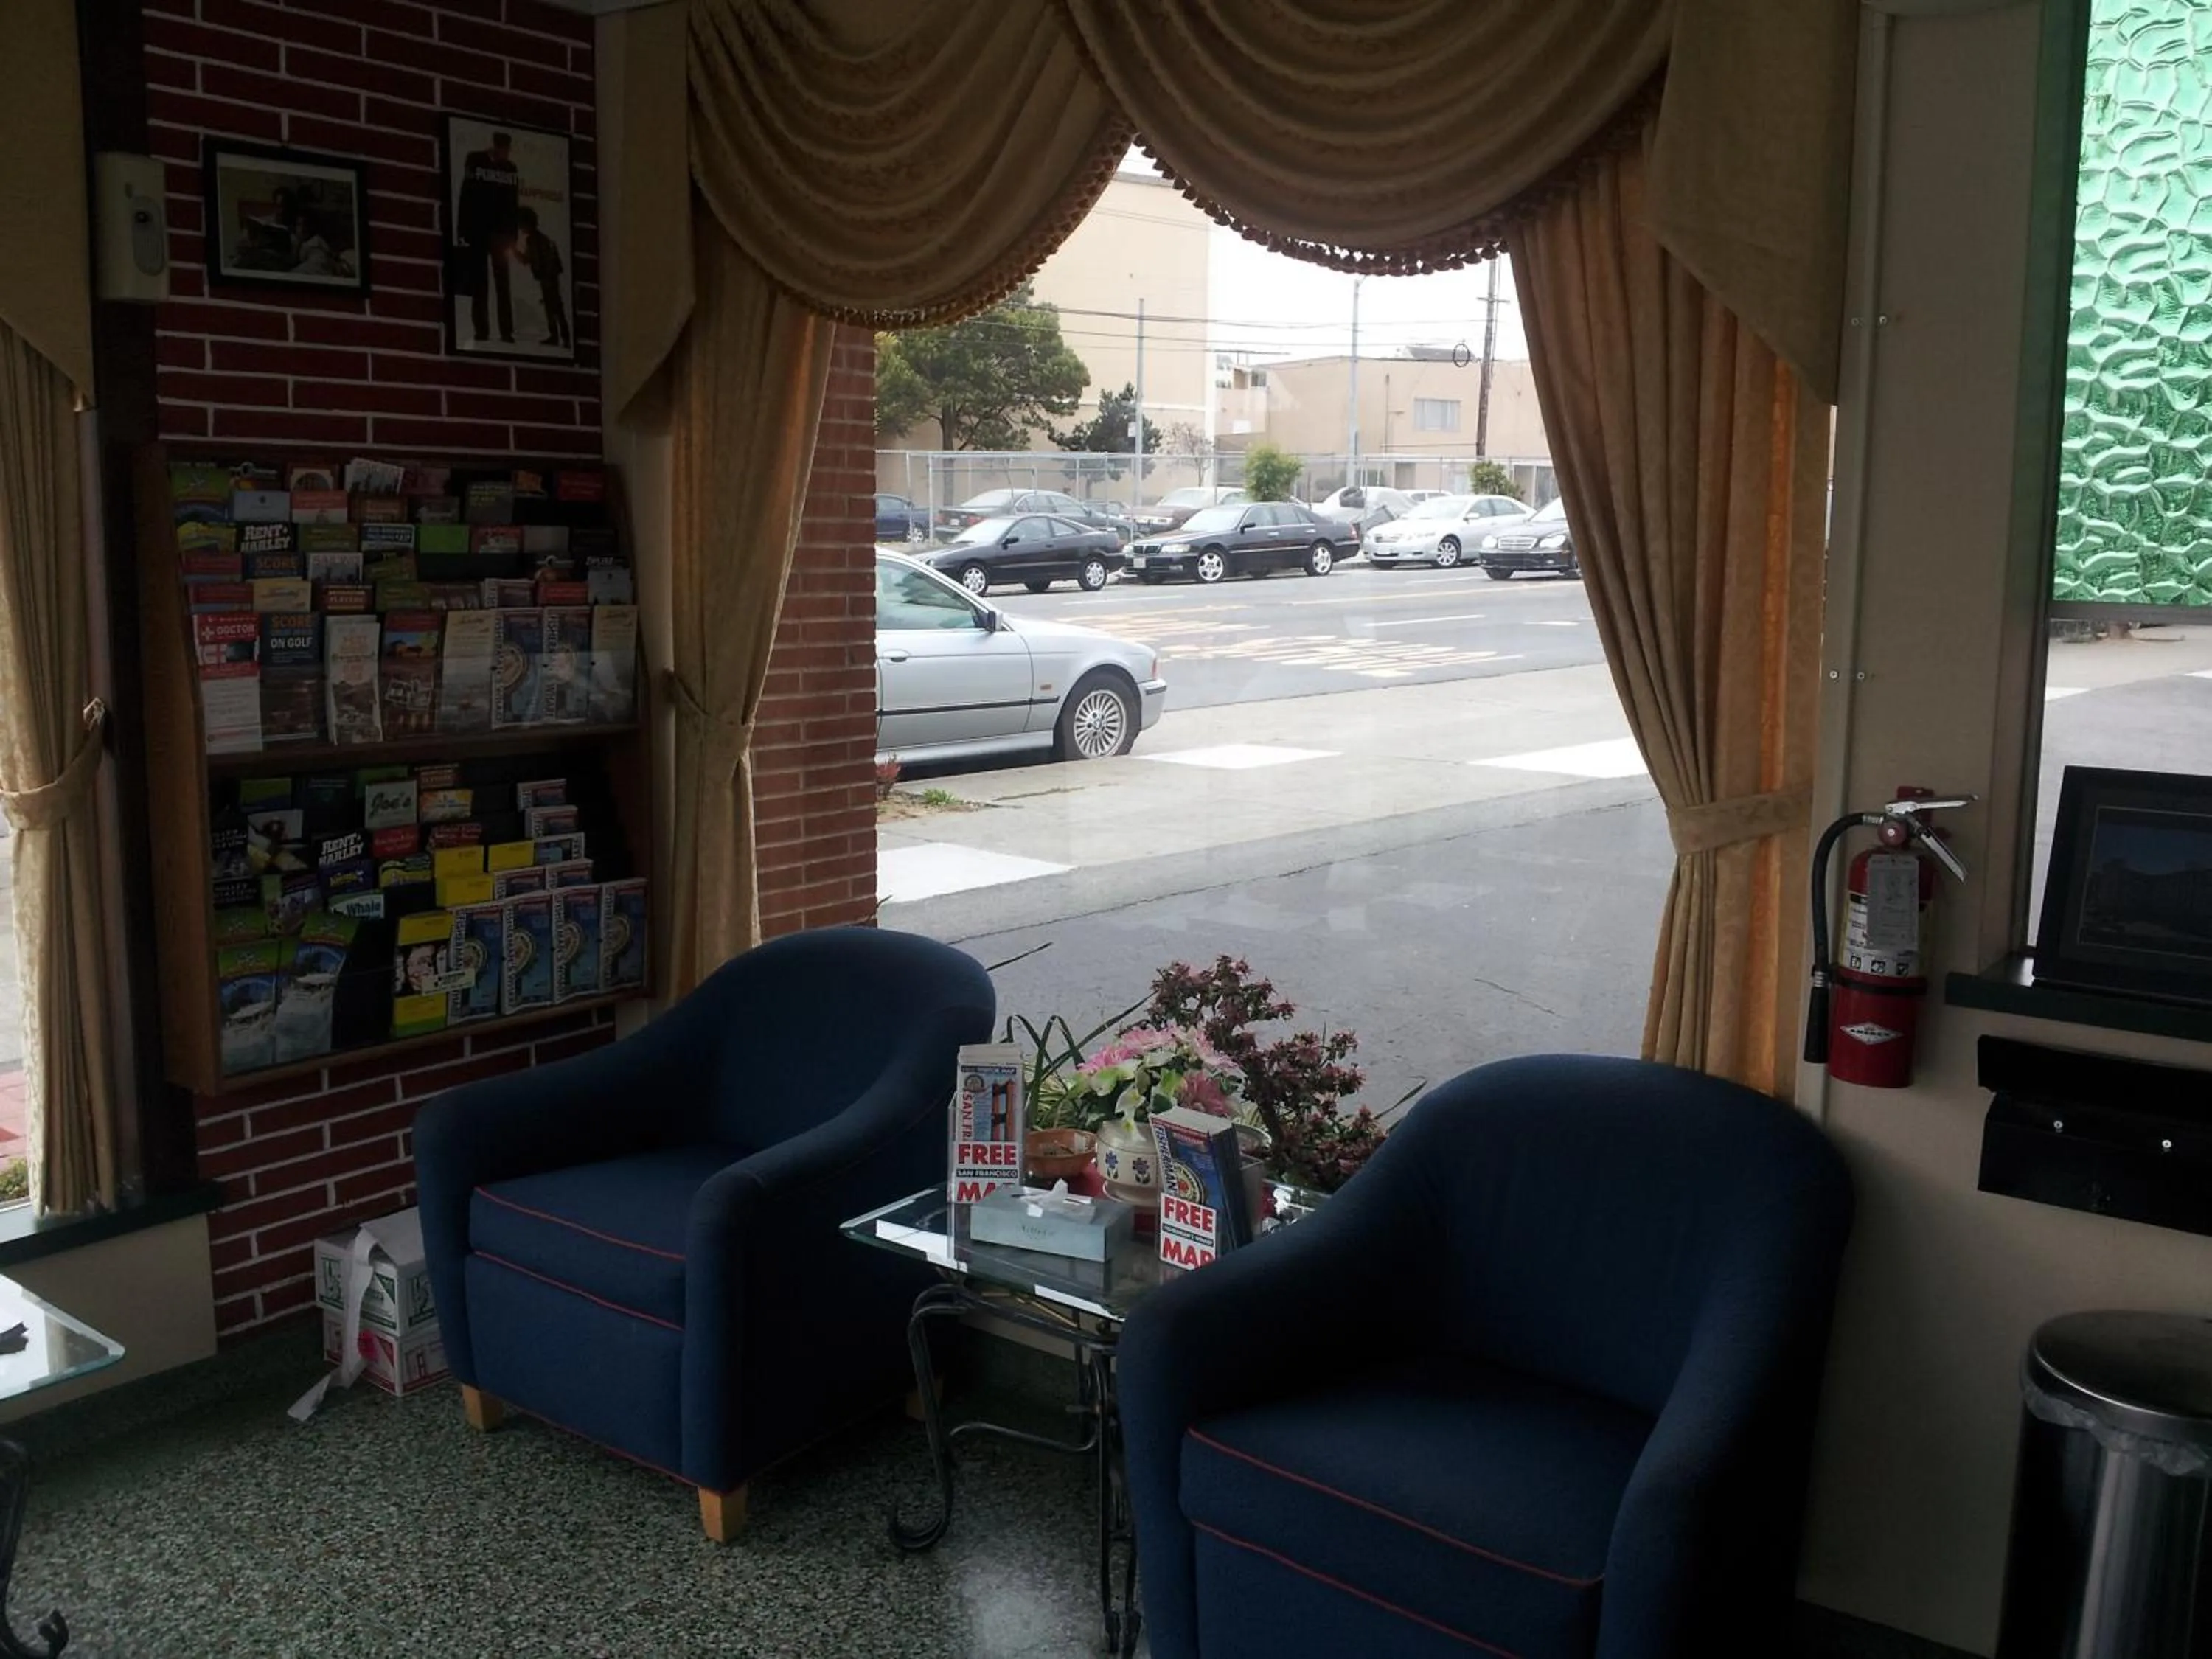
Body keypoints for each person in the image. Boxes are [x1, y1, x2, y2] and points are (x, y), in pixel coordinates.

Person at [453, 131, 521, 344]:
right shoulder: (476, 160)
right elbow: (466, 193)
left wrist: (512, 233)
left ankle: (506, 332)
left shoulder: (509, 168)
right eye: (505, 150)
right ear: (498, 147)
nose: (507, 154)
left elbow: (512, 203)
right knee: (480, 283)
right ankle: (482, 330)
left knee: (502, 284)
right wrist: (462, 229)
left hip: (499, 233)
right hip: (479, 230)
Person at [515, 206, 568, 349]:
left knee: (555, 308)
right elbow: (528, 260)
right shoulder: (537, 239)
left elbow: (532, 259)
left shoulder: (537, 240)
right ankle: (559, 336)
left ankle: (562, 337)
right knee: (553, 309)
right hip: (548, 277)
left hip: (548, 277)